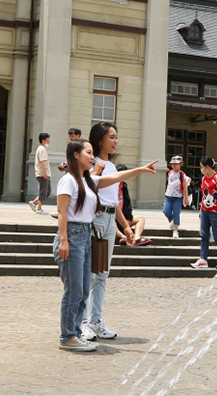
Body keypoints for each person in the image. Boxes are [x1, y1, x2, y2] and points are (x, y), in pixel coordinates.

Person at [54, 138, 156, 352]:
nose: (93, 157)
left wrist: (141, 169)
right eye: (88, 153)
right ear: (75, 155)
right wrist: (64, 240)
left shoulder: (89, 180)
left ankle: (75, 333)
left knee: (82, 289)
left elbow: (117, 176)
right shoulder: (69, 181)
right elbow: (62, 212)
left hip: (86, 235)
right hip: (71, 235)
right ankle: (67, 336)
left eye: (93, 153)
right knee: (73, 290)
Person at [82, 121, 135, 342]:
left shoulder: (112, 167)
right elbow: (87, 191)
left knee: (102, 273)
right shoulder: (91, 163)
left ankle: (95, 320)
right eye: (111, 137)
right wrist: (95, 170)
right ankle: (82, 322)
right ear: (99, 140)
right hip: (96, 219)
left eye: (116, 136)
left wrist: (127, 227)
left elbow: (114, 202)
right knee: (90, 273)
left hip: (111, 218)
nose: (115, 141)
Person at [191, 157, 217, 270]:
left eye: (202, 167)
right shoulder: (204, 178)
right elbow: (204, 195)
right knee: (204, 235)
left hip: (215, 212)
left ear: (207, 167)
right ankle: (203, 259)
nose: (201, 169)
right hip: (205, 211)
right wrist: (201, 209)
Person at [114, 167, 151, 246]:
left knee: (140, 218)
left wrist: (128, 218)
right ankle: (124, 237)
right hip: (113, 217)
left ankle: (137, 238)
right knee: (111, 222)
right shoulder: (111, 185)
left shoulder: (124, 186)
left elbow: (127, 203)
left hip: (123, 218)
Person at [163, 156, 190, 238]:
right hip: (168, 196)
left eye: (176, 164)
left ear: (180, 164)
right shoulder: (170, 173)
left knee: (176, 213)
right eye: (172, 164)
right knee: (166, 211)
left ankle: (175, 230)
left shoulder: (182, 175)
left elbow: (185, 187)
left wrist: (186, 198)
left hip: (177, 197)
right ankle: (173, 220)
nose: (174, 166)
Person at [30, 133, 52, 215]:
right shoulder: (41, 149)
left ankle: (34, 202)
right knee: (43, 191)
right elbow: (42, 161)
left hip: (45, 173)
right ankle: (39, 208)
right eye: (48, 139)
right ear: (43, 141)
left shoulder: (42, 148)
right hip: (43, 174)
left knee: (48, 191)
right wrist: (44, 173)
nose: (49, 141)